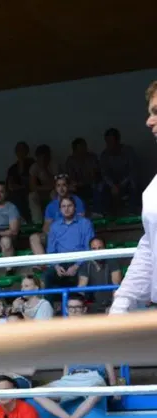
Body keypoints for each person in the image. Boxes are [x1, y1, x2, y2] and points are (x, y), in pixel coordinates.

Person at [110, 81, 157, 315]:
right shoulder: (154, 188)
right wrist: (124, 299)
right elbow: (150, 244)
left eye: (156, 111)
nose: (149, 121)